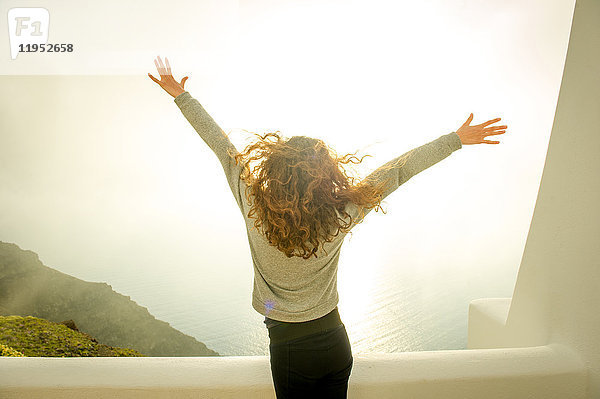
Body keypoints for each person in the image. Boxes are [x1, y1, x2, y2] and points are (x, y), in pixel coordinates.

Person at [148, 55, 507, 398]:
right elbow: (397, 171)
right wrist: (455, 139)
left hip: (289, 348)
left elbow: (221, 146)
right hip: (336, 342)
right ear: (325, 175)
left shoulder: (253, 204)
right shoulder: (341, 214)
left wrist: (182, 97)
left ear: (275, 170)